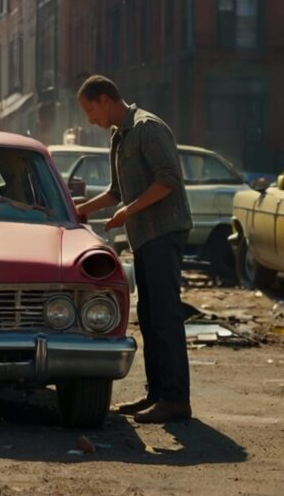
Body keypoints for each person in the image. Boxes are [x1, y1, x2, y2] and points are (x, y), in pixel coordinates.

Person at [74, 75, 194, 424]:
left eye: (90, 109)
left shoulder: (147, 127)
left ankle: (176, 399)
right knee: (151, 317)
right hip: (143, 236)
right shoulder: (119, 135)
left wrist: (130, 210)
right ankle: (156, 395)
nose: (89, 118)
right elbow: (115, 191)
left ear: (107, 99)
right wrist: (80, 209)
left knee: (166, 315)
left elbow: (169, 180)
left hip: (164, 232)